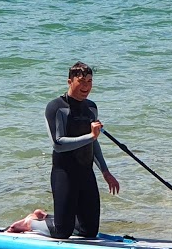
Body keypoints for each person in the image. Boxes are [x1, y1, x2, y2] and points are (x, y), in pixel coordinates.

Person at [44, 62, 120, 239]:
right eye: (81, 81)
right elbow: (58, 143)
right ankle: (34, 221)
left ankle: (58, 219)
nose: (86, 86)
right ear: (69, 81)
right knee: (63, 232)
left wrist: (105, 171)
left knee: (90, 232)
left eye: (90, 81)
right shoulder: (56, 107)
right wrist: (91, 136)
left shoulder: (91, 107)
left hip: (86, 173)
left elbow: (93, 144)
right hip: (64, 172)